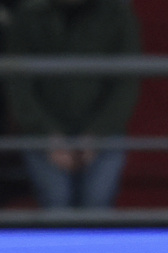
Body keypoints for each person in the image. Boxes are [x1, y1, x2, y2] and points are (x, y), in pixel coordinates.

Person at [3, 0, 140, 208]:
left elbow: (126, 85)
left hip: (105, 133)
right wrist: (48, 136)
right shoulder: (29, 14)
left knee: (97, 207)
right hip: (42, 134)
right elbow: (18, 86)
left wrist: (97, 134)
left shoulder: (117, 13)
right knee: (56, 205)